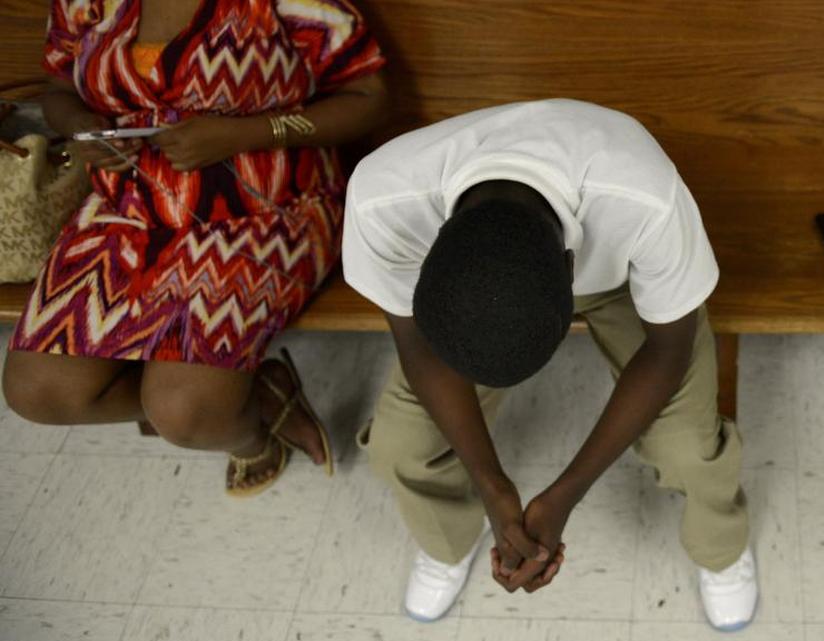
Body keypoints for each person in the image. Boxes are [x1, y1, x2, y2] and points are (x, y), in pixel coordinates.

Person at [343, 98, 759, 631]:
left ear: (571, 269)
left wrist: (565, 494)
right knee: (402, 444)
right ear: (431, 253)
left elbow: (668, 349)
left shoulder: (646, 197)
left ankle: (720, 551)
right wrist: (493, 487)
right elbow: (419, 345)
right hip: (471, 297)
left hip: (623, 283)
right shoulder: (382, 201)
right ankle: (446, 541)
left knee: (685, 445)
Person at [2, 0, 386, 496]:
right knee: (37, 392)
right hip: (129, 207)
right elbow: (57, 87)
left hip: (268, 206)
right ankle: (255, 394)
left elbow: (369, 95)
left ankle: (250, 437)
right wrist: (83, 128)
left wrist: (244, 133)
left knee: (185, 411)